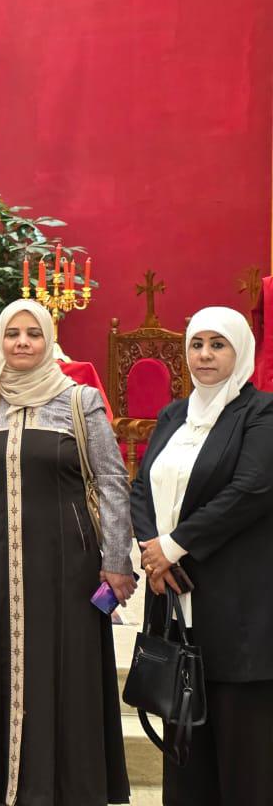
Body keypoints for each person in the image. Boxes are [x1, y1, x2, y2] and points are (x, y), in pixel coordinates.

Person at [0, 298, 133, 806]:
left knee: (63, 671)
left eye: (32, 333)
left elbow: (112, 481)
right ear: (0, 341)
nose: (22, 342)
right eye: (13, 334)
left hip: (67, 567)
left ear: (49, 339)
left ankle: (64, 789)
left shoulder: (79, 401)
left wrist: (117, 559)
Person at [131, 307, 273, 805]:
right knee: (185, 745)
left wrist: (172, 546)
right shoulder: (174, 415)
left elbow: (251, 490)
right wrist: (152, 551)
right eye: (196, 344)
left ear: (241, 351)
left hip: (237, 608)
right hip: (175, 601)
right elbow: (140, 487)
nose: (205, 355)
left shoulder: (261, 413)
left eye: (218, 344)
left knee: (244, 753)